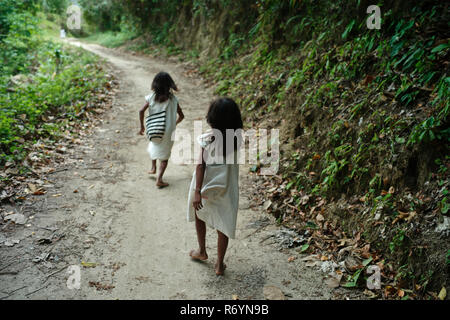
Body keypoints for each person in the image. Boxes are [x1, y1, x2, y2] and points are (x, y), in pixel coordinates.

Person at [187, 97, 243, 275]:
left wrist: (197, 191)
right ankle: (219, 264)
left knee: (199, 214)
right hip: (226, 189)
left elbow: (200, 166)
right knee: (223, 223)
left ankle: (202, 250)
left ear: (213, 119)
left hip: (204, 186)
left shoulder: (207, 140)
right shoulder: (237, 140)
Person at [139, 72, 184, 188]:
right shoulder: (173, 99)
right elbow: (181, 116)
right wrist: (173, 124)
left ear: (155, 84)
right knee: (164, 156)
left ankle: (153, 167)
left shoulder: (151, 97)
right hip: (168, 131)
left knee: (154, 144)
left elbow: (141, 111)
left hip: (153, 128)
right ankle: (159, 179)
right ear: (170, 85)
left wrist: (142, 127)